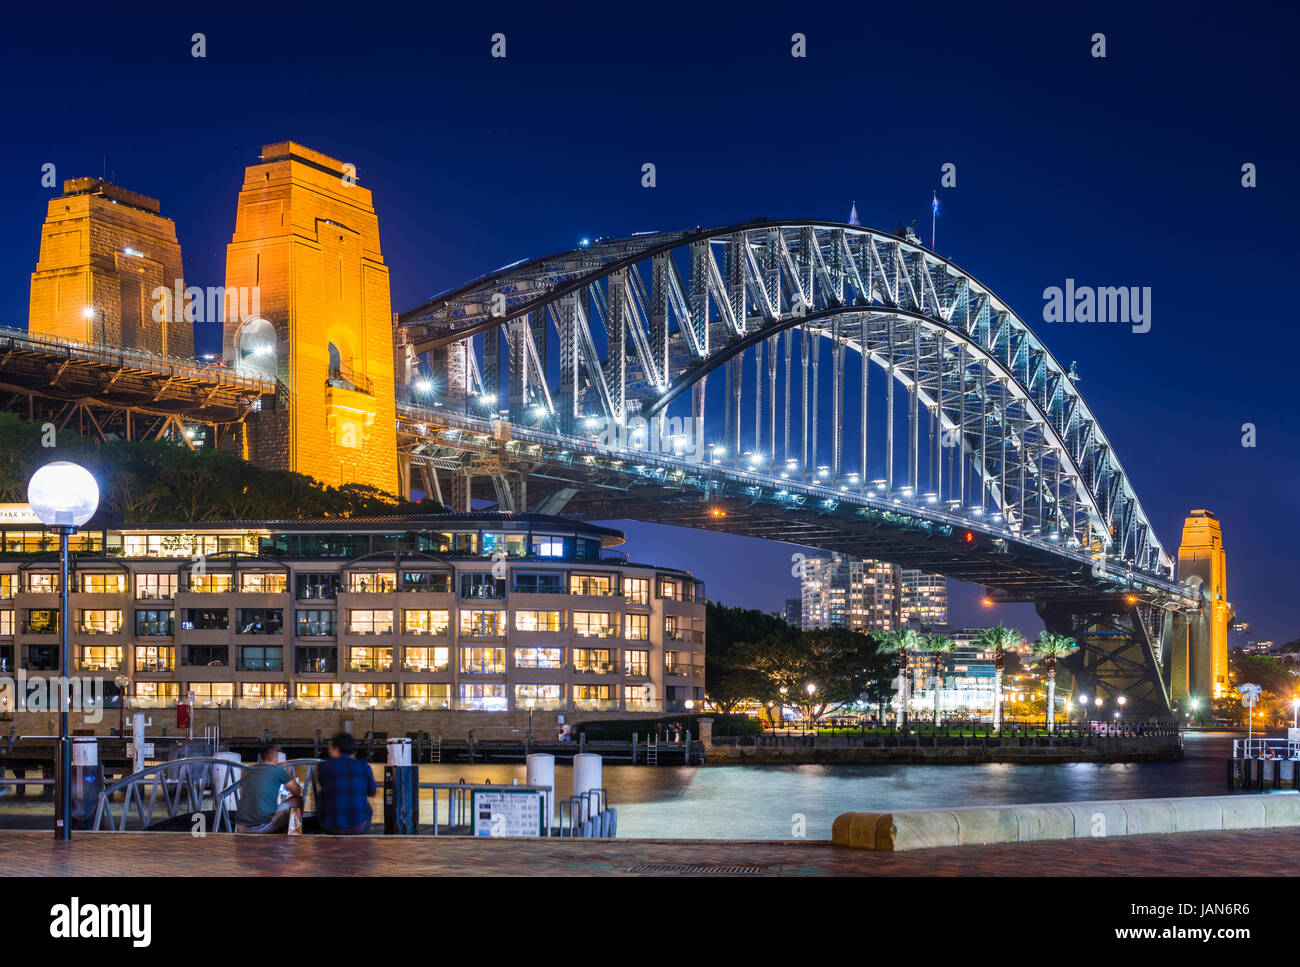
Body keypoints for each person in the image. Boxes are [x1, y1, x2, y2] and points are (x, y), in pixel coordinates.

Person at [315, 732, 376, 835]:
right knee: (368, 808)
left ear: (337, 748)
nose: (329, 751)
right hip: (358, 826)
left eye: (331, 748)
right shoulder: (363, 765)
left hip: (331, 825)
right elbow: (372, 791)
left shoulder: (324, 766)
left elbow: (324, 786)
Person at [235, 742, 302, 833]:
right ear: (275, 757)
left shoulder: (249, 770)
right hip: (261, 827)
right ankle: (293, 837)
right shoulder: (278, 770)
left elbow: (241, 790)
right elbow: (297, 791)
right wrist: (288, 771)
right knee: (296, 800)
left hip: (241, 826)